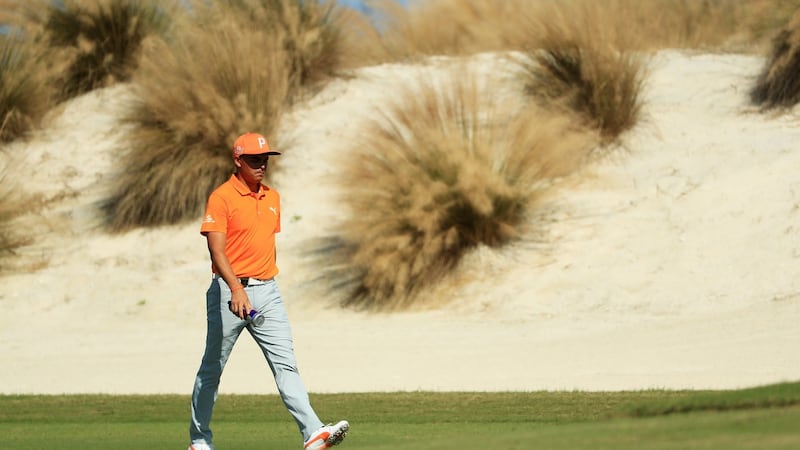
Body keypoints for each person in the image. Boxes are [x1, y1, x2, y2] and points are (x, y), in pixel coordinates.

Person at [188, 132, 349, 450]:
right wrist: (236, 288)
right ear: (238, 160)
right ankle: (198, 440)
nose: (261, 164)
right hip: (228, 293)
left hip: (267, 293)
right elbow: (217, 251)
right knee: (212, 369)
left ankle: (313, 432)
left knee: (286, 363)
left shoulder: (272, 197)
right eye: (254, 159)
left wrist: (259, 287)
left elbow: (262, 244)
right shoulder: (221, 198)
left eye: (265, 159)